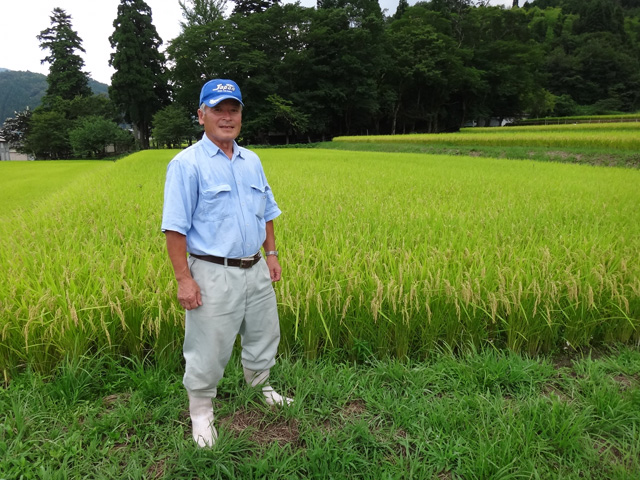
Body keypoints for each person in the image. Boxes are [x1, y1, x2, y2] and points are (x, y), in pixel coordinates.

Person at [161, 78, 292, 448]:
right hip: (213, 271)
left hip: (256, 266)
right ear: (201, 115)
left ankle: (260, 385)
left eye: (233, 109)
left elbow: (266, 210)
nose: (227, 116)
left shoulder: (252, 160)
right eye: (218, 109)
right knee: (208, 345)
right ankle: (201, 413)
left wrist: (272, 254)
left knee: (264, 332)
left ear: (241, 115)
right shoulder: (186, 165)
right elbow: (174, 228)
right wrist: (184, 279)